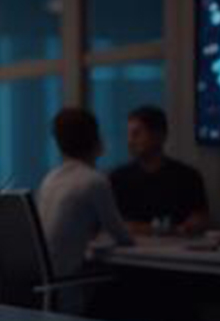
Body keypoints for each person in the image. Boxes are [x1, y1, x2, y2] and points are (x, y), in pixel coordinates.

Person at [34, 107, 134, 286]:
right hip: (68, 285)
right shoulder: (94, 180)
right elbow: (123, 238)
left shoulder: (50, 179)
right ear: (95, 139)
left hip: (43, 283)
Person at [109, 105, 209, 236]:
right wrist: (167, 230)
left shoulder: (188, 177)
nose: (130, 141)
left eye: (136, 134)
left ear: (159, 135)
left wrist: (192, 225)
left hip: (180, 251)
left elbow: (200, 218)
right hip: (130, 252)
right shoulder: (118, 179)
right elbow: (116, 224)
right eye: (129, 135)